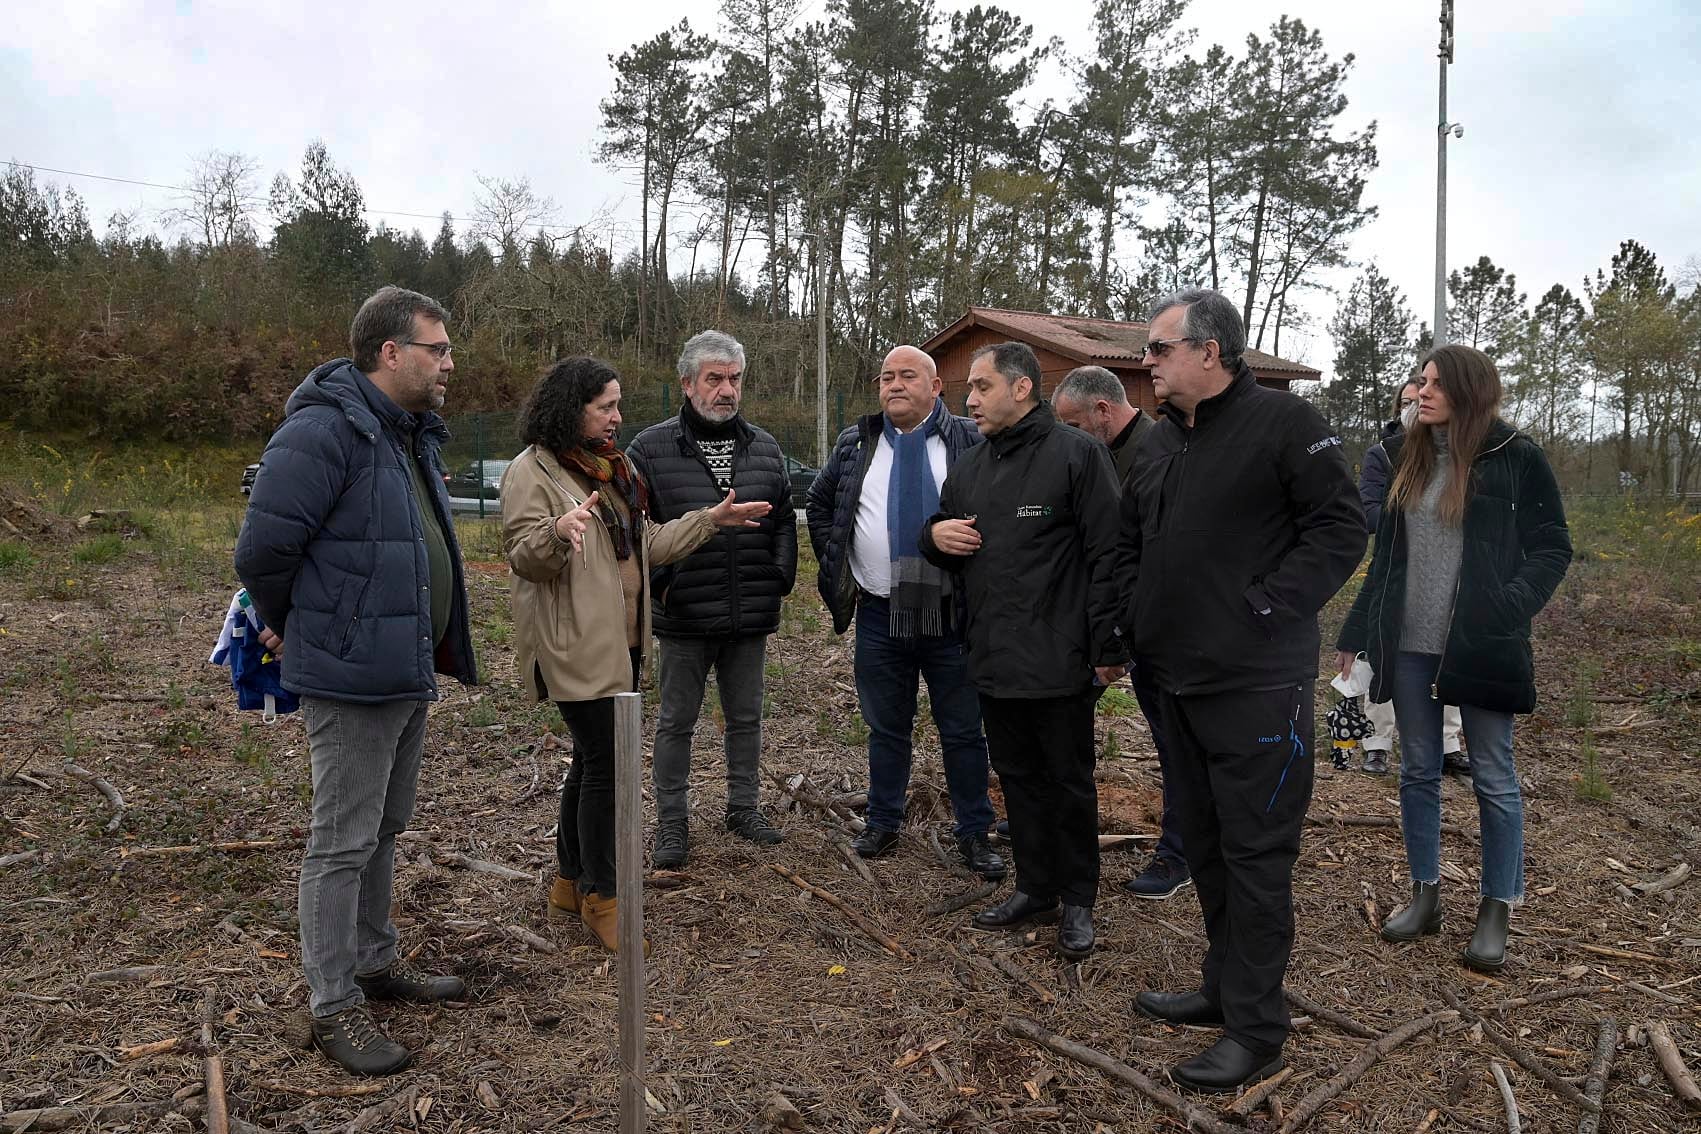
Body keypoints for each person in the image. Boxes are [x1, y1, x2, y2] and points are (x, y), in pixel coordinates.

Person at [1120, 289, 1365, 1093]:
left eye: (1158, 349)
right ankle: (1222, 987)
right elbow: (1132, 542)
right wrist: (1128, 622)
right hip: (1173, 683)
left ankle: (1257, 1031)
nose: (1146, 363)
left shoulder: (1286, 426)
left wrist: (1265, 604)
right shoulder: (1158, 443)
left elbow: (1339, 526)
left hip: (1255, 685)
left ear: (1210, 351)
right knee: (1209, 844)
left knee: (1257, 856)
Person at [235, 286, 477, 1076]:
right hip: (350, 670)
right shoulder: (322, 431)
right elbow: (264, 552)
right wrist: (301, 620)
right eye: (436, 349)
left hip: (402, 665)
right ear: (389, 353)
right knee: (340, 841)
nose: (448, 362)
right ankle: (333, 1004)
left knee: (384, 828)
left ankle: (375, 960)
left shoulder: (406, 435)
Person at [501, 358, 771, 953]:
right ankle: (604, 895)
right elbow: (523, 555)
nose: (618, 417)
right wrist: (556, 531)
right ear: (571, 409)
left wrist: (712, 520)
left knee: (590, 760)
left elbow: (643, 546)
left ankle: (571, 883)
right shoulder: (535, 471)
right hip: (574, 646)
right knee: (606, 766)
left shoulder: (612, 472)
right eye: (606, 407)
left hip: (618, 644)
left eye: (618, 405)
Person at [1336, 344, 1572, 973]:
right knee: (1417, 770)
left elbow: (1553, 547)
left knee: (1494, 776)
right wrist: (1357, 632)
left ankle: (1496, 907)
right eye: (1420, 380)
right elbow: (1385, 560)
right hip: (1410, 644)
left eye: (1435, 382)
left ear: (1468, 391)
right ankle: (1425, 896)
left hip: (1483, 645)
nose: (1422, 390)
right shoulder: (1402, 456)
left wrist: (1506, 606)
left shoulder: (1515, 456)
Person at [920, 342, 1128, 961]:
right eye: (971, 390)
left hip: (1060, 657)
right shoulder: (972, 468)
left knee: (1067, 780)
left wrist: (1108, 643)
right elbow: (942, 530)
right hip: (991, 652)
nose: (970, 400)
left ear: (1021, 389)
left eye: (982, 387)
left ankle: (1079, 897)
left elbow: (1109, 554)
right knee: (1017, 778)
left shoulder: (1078, 456)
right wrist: (933, 536)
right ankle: (1035, 887)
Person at [806, 345, 1003, 880]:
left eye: (908, 376)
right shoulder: (857, 443)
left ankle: (974, 833)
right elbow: (822, 504)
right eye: (886, 376)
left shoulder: (970, 439)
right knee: (886, 727)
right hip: (879, 614)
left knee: (963, 730)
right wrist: (837, 559)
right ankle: (884, 821)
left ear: (936, 387)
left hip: (954, 616)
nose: (894, 384)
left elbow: (1000, 507)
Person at [627, 330, 798, 868]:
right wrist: (664, 587)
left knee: (746, 717)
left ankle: (743, 807)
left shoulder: (765, 448)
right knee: (677, 720)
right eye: (715, 379)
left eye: (735, 379)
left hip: (749, 611)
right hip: (684, 615)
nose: (727, 390)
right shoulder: (649, 450)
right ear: (687, 383)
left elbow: (786, 522)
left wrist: (778, 577)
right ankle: (672, 822)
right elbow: (634, 531)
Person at [1053, 366, 1189, 901]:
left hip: (1154, 625)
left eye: (1073, 423)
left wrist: (1124, 637)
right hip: (1096, 621)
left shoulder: (1161, 453)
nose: (1066, 433)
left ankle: (1179, 852)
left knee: (1174, 744)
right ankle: (1055, 827)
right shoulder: (1088, 453)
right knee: (1062, 719)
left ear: (1103, 411)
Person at [1356, 375, 1466, 777]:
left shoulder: (1457, 454)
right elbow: (1367, 512)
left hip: (1445, 574)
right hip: (1393, 571)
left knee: (1446, 654)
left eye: (1420, 399)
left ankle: (1449, 743)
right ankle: (1377, 743)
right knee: (1381, 654)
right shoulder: (1382, 455)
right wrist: (1407, 513)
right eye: (1407, 402)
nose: (1415, 408)